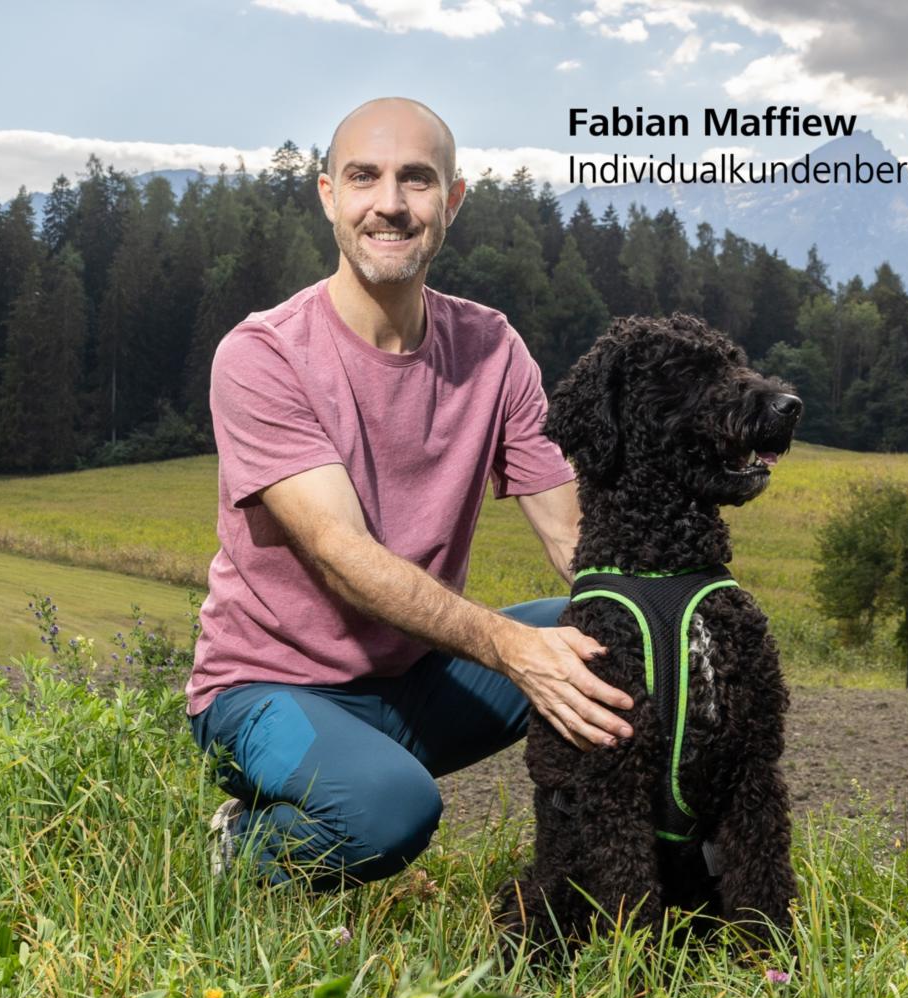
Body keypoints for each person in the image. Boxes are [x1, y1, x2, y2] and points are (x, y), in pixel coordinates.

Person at [189, 97, 634, 888]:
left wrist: (680, 626)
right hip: (267, 693)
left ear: (453, 200)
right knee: (390, 816)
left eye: (417, 180)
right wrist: (510, 650)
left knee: (615, 636)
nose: (389, 204)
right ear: (328, 194)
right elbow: (342, 555)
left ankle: (617, 877)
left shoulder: (492, 349)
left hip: (414, 680)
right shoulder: (263, 355)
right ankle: (241, 845)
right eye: (364, 177)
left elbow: (578, 543)